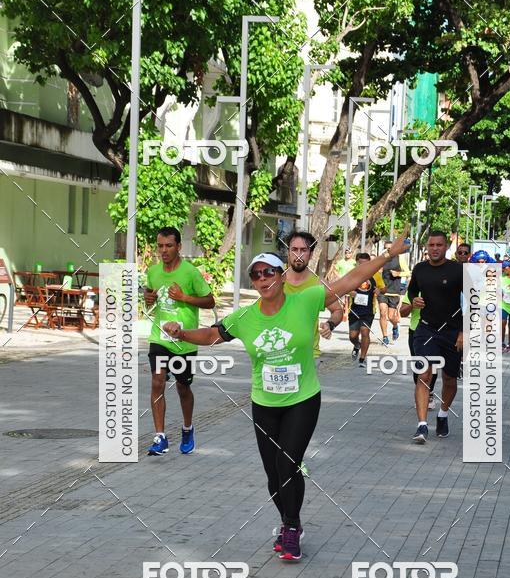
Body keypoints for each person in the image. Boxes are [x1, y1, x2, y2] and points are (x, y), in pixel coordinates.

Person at [163, 230, 410, 560]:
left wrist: (386, 255)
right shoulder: (245, 317)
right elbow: (212, 334)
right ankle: (288, 521)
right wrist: (182, 333)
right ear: (253, 282)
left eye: (269, 272)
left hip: (303, 399)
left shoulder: (305, 300)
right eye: (256, 275)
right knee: (273, 475)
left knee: (288, 463)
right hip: (264, 404)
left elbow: (352, 279)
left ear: (280, 277)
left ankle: (291, 529)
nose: (263, 279)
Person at [144, 228, 215, 456]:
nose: (163, 250)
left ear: (178, 247)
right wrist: (148, 299)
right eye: (160, 246)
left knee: (183, 387)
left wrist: (185, 298)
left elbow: (210, 301)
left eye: (169, 246)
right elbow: (149, 299)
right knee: (157, 382)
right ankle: (160, 437)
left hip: (184, 341)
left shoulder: (190, 273)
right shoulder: (153, 272)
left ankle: (187, 428)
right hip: (160, 338)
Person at [407, 231, 463, 443]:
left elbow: (473, 302)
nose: (435, 248)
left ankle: (443, 414)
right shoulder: (420, 268)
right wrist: (415, 301)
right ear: (426, 247)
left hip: (452, 332)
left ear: (446, 246)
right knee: (424, 375)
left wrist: (463, 332)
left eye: (439, 245)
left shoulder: (458, 270)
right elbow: (412, 291)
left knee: (449, 379)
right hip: (426, 330)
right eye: (431, 245)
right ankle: (422, 425)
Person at [283, 230, 343, 366]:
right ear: (288, 252)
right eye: (294, 250)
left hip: (309, 356)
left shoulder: (319, 284)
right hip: (277, 354)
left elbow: (337, 310)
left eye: (303, 250)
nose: (298, 255)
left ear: (310, 255)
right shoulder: (276, 281)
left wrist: (330, 324)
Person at [400, 288, 438, 410]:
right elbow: (402, 313)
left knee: (432, 364)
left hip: (435, 332)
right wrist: (413, 305)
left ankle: (429, 392)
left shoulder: (440, 289)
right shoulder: (413, 291)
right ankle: (421, 393)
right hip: (415, 331)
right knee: (419, 365)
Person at [348, 252, 384, 366]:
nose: (363, 266)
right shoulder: (352, 274)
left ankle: (362, 359)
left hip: (368, 310)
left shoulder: (376, 274)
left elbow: (384, 288)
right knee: (352, 336)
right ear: (357, 263)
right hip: (354, 309)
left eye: (366, 264)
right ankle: (357, 345)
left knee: (365, 332)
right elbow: (344, 287)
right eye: (360, 263)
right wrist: (350, 292)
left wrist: (379, 291)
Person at [378, 238, 410, 344]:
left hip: (394, 291)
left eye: (390, 248)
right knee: (382, 313)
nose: (388, 250)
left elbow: (408, 272)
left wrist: (398, 274)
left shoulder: (400, 258)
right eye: (386, 248)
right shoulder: (382, 258)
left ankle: (395, 326)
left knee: (391, 317)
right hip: (383, 289)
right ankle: (385, 337)